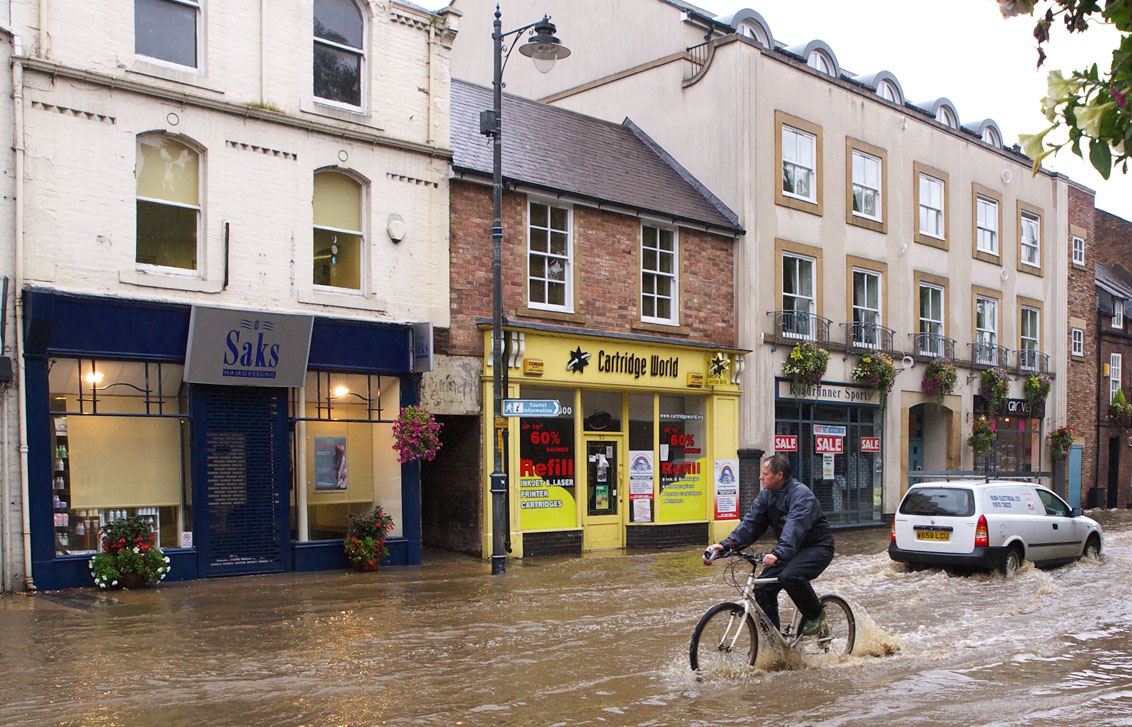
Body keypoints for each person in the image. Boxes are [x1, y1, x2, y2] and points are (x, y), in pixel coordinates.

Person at [703, 453, 835, 636]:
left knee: (791, 576)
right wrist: (726, 546)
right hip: (790, 549)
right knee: (763, 588)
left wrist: (778, 554)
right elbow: (751, 524)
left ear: (779, 475)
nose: (760, 477)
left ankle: (815, 615)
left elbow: (794, 527)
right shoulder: (766, 496)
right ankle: (773, 639)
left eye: (765, 474)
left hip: (816, 548)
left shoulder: (801, 496)